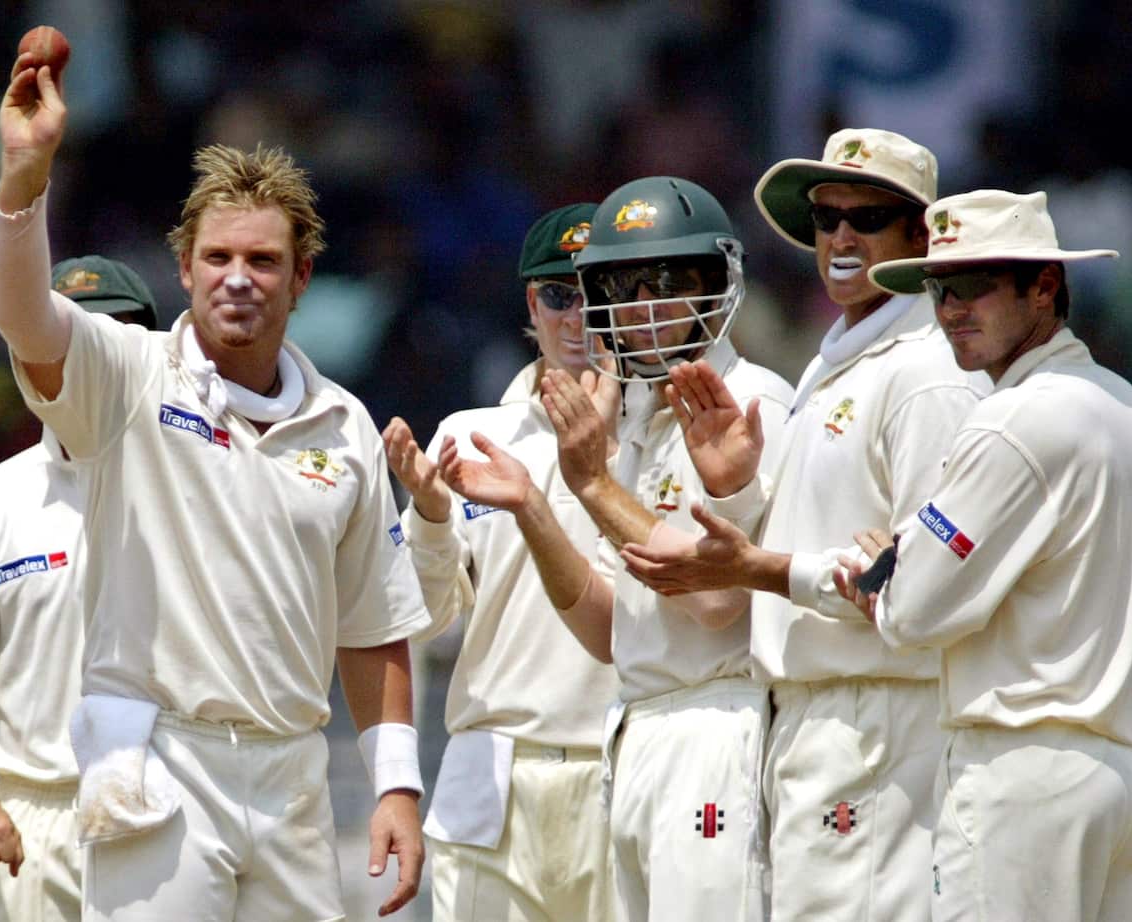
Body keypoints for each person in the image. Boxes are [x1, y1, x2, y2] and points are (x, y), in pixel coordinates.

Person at [0, 34, 430, 921]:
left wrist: (397, 789)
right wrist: (25, 175)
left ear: (301, 278)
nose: (238, 280)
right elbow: (22, 314)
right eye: (217, 259)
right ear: (182, 268)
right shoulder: (128, 375)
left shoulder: (342, 427)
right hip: (160, 762)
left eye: (263, 261)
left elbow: (373, 627)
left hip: (295, 772)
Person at [620, 129, 988, 922]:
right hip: (812, 716)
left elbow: (918, 581)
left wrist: (768, 567)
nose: (843, 237)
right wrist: (740, 489)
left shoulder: (925, 374)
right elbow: (801, 540)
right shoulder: (834, 364)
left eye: (870, 215)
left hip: (879, 718)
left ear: (920, 236)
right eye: (826, 217)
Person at [438, 176, 794, 921]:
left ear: (716, 284)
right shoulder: (632, 422)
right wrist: (538, 505)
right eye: (622, 283)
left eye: (668, 278)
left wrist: (594, 485)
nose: (643, 303)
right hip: (634, 732)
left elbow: (720, 602)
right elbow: (609, 632)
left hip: (718, 727)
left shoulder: (754, 404)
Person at [830, 189, 1132, 922]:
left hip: (1025, 777)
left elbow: (917, 612)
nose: (952, 307)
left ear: (1045, 285)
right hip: (1130, 779)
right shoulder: (1122, 403)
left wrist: (883, 586)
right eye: (939, 287)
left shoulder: (1011, 420)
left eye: (976, 284)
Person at [381, 203, 621, 920]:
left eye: (597, 292)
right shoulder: (472, 434)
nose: (578, 315)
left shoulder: (667, 434)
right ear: (531, 304)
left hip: (619, 763)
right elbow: (423, 617)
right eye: (559, 295)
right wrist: (427, 517)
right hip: (494, 777)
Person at [0, 256, 156, 922]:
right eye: (70, 341)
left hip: (182, 806)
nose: (91, 363)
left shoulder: (210, 487)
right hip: (37, 820)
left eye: (116, 339)